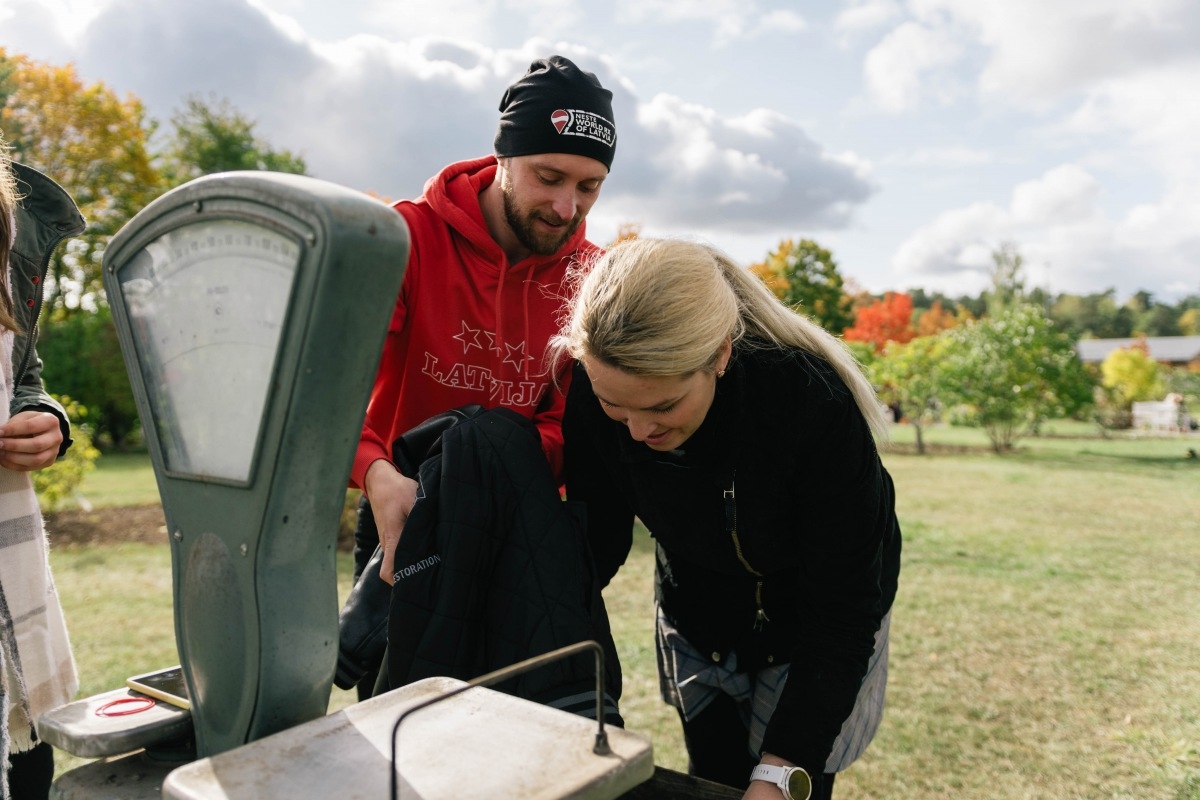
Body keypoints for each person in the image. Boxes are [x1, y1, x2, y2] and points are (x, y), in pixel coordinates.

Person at [553, 238, 902, 800]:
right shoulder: (589, 391)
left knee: (786, 785)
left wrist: (782, 770)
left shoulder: (808, 404)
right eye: (616, 406)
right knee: (713, 777)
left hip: (813, 626)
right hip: (698, 613)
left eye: (664, 406)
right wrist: (534, 623)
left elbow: (841, 610)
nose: (639, 433)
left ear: (719, 354)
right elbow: (598, 538)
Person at [343, 55, 616, 695]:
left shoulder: (596, 278)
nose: (565, 206)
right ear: (502, 158)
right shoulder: (405, 239)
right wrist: (377, 475)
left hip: (520, 523)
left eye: (590, 186)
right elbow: (334, 395)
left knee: (523, 736)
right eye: (548, 176)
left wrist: (482, 467)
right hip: (400, 510)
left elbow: (566, 423)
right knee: (402, 728)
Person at [0, 139, 83, 798]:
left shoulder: (16, 216)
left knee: (27, 771)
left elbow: (21, 372)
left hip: (9, 619)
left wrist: (44, 416)